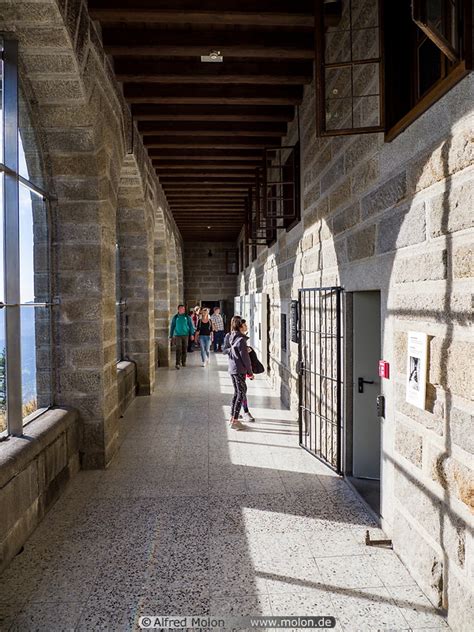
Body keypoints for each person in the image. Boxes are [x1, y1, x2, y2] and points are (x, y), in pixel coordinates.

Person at [223, 322, 255, 422]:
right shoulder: (238, 339)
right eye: (244, 325)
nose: (247, 326)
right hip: (238, 368)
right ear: (239, 327)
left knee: (239, 392)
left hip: (236, 368)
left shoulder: (239, 338)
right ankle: (235, 419)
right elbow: (245, 359)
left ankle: (235, 415)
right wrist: (250, 372)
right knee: (241, 393)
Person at [169, 305, 195, 370]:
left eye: (183, 309)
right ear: (178, 309)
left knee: (184, 348)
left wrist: (192, 334)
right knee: (178, 348)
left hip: (186, 335)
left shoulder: (187, 317)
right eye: (181, 309)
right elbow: (172, 327)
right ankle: (177, 363)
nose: (182, 310)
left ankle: (183, 361)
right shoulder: (175, 317)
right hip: (177, 335)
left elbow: (191, 326)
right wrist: (171, 336)